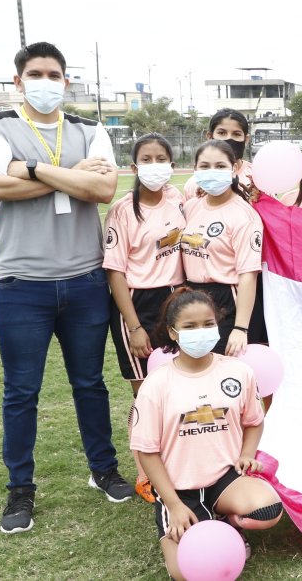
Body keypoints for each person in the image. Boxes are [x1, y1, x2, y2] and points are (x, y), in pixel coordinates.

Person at [0, 41, 132, 534]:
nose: (46, 81)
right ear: (19, 80)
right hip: (21, 283)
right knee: (22, 391)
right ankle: (20, 489)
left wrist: (33, 169)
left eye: (54, 74)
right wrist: (69, 176)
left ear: (66, 81)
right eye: (35, 73)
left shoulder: (90, 129)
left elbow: (104, 190)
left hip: (85, 279)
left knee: (90, 383)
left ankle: (102, 470)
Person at [132, 287, 283, 581]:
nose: (200, 331)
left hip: (223, 479)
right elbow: (146, 451)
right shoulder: (156, 384)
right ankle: (192, 523)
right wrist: (173, 505)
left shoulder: (238, 372)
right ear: (173, 333)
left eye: (207, 324)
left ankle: (225, 521)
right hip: (178, 489)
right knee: (186, 573)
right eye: (190, 326)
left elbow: (254, 421)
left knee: (268, 510)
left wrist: (247, 455)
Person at [104, 133, 186, 502]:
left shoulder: (179, 199)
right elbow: (115, 273)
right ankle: (144, 474)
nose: (156, 165)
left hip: (177, 300)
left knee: (179, 389)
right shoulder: (123, 209)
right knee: (145, 395)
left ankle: (179, 464)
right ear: (134, 167)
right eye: (147, 159)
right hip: (138, 304)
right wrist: (134, 327)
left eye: (162, 158)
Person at [181, 140, 265, 356]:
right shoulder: (191, 207)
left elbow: (248, 275)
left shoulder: (244, 215)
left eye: (220, 166)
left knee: (224, 370)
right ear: (195, 169)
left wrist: (240, 328)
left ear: (235, 168)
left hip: (230, 299)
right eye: (205, 166)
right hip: (193, 295)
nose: (212, 172)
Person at [183, 109, 253, 199]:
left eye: (236, 134)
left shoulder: (256, 178)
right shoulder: (194, 184)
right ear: (210, 137)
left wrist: (260, 200)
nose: (229, 138)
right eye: (222, 133)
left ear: (246, 139)